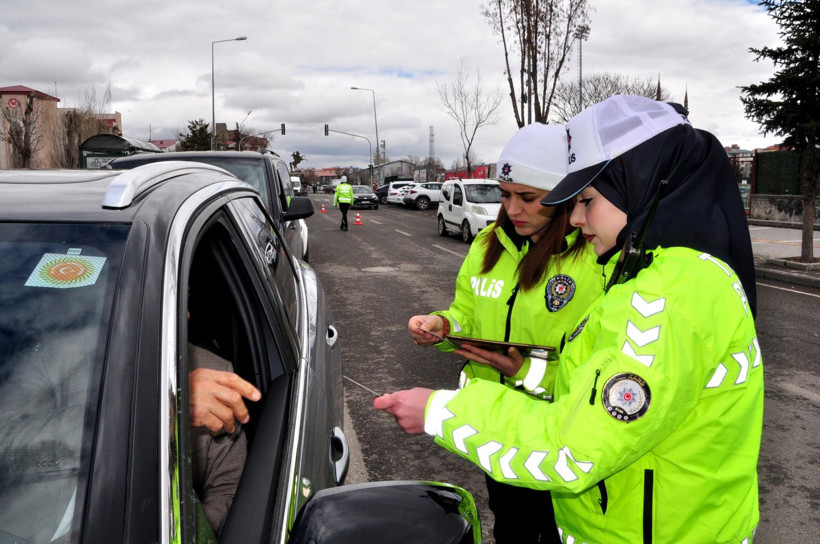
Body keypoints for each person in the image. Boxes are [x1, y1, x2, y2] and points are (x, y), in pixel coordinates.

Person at [375, 95, 763, 543]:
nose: (576, 217)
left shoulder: (663, 299)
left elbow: (574, 449)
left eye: (588, 200)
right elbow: (597, 384)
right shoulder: (679, 274)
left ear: (639, 188)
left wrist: (440, 412)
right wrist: (524, 370)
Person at [407, 123, 603, 543]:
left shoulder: (594, 257)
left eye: (527, 197)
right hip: (496, 425)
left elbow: (601, 362)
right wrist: (443, 326)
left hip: (558, 431)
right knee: (511, 527)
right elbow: (467, 312)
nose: (513, 209)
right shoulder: (486, 244)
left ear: (563, 195)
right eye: (506, 194)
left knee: (558, 531)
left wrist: (525, 371)